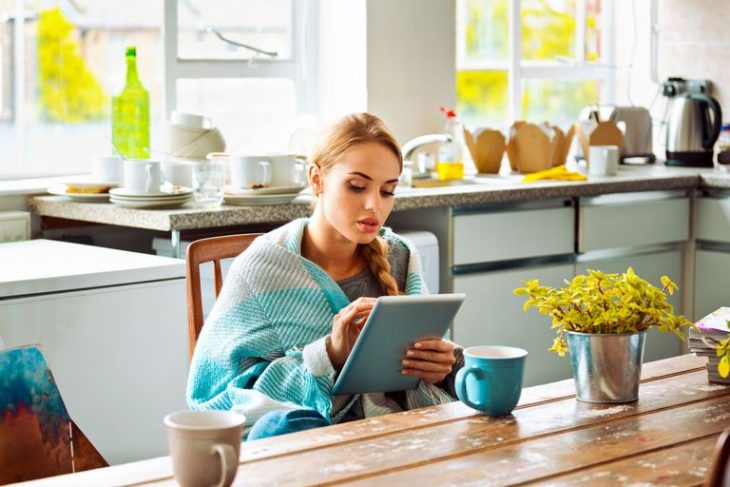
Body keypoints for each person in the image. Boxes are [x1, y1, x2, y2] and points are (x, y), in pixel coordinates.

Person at [186, 113, 464, 439]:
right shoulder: (260, 269)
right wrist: (329, 356)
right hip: (307, 443)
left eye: (388, 191)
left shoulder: (400, 255)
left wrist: (444, 367)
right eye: (357, 187)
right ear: (316, 179)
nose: (374, 205)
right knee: (283, 428)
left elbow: (424, 367)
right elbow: (215, 397)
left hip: (397, 434)